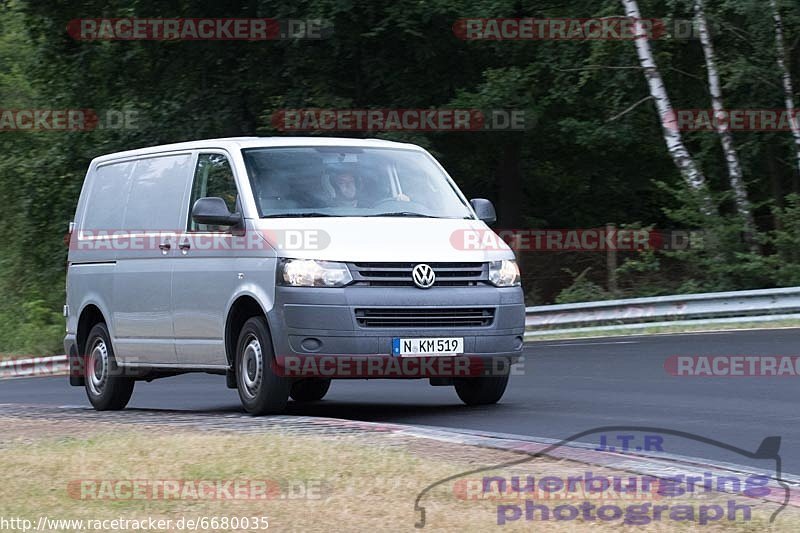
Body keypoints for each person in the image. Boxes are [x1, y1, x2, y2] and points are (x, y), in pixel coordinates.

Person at [330, 169, 410, 207]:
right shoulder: (327, 207)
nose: (348, 185)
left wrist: (404, 202)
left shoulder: (372, 204)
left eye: (351, 182)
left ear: (357, 184)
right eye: (342, 183)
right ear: (334, 187)